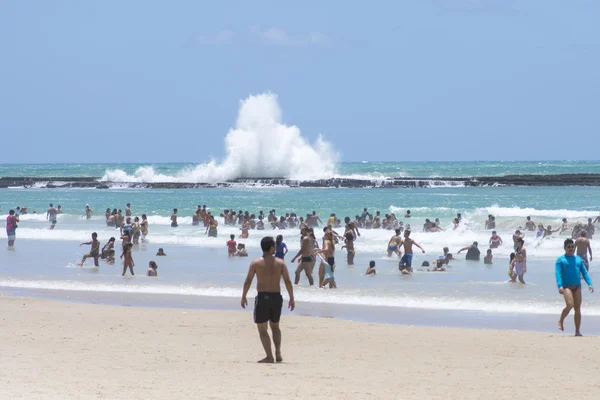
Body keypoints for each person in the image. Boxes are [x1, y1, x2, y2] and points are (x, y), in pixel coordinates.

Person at [241, 236, 295, 363]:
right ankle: (278, 353)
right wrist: (292, 298)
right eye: (275, 245)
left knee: (262, 328)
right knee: (275, 326)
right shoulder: (280, 263)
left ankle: (269, 356)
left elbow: (248, 280)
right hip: (276, 297)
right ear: (271, 247)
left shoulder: (256, 263)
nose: (276, 247)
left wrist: (243, 296)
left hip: (263, 297)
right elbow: (287, 281)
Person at [555, 238, 594, 336]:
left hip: (577, 286)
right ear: (565, 248)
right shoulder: (560, 260)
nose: (571, 248)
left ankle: (577, 331)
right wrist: (560, 286)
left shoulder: (578, 259)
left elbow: (584, 272)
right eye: (569, 247)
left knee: (577, 308)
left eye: (572, 247)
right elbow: (558, 274)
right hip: (566, 286)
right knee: (570, 304)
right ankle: (561, 320)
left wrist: (589, 284)